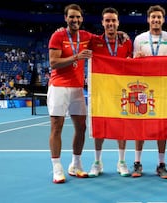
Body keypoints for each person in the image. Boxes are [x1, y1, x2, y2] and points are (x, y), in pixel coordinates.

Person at [47, 4, 93, 184]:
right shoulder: (58, 35)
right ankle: (57, 168)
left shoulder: (86, 36)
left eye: (78, 17)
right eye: (72, 17)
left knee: (81, 127)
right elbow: (53, 62)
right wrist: (76, 57)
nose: (75, 20)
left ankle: (76, 164)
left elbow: (104, 40)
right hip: (59, 87)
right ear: (66, 18)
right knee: (56, 127)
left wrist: (121, 34)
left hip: (77, 89)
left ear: (82, 18)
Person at [132, 5, 167, 179]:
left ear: (163, 20)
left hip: (164, 89)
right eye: (153, 17)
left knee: (162, 127)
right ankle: (137, 162)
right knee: (140, 125)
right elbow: (134, 64)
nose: (156, 20)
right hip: (143, 88)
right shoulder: (139, 39)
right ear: (148, 19)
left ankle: (161, 164)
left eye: (159, 17)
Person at [87, 7, 133, 178]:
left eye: (113, 20)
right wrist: (61, 30)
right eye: (107, 20)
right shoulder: (94, 41)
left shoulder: (126, 42)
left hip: (121, 91)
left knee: (122, 126)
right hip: (101, 91)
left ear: (118, 22)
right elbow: (78, 36)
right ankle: (97, 162)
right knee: (100, 126)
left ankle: (121, 162)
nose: (110, 23)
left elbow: (132, 60)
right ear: (102, 23)